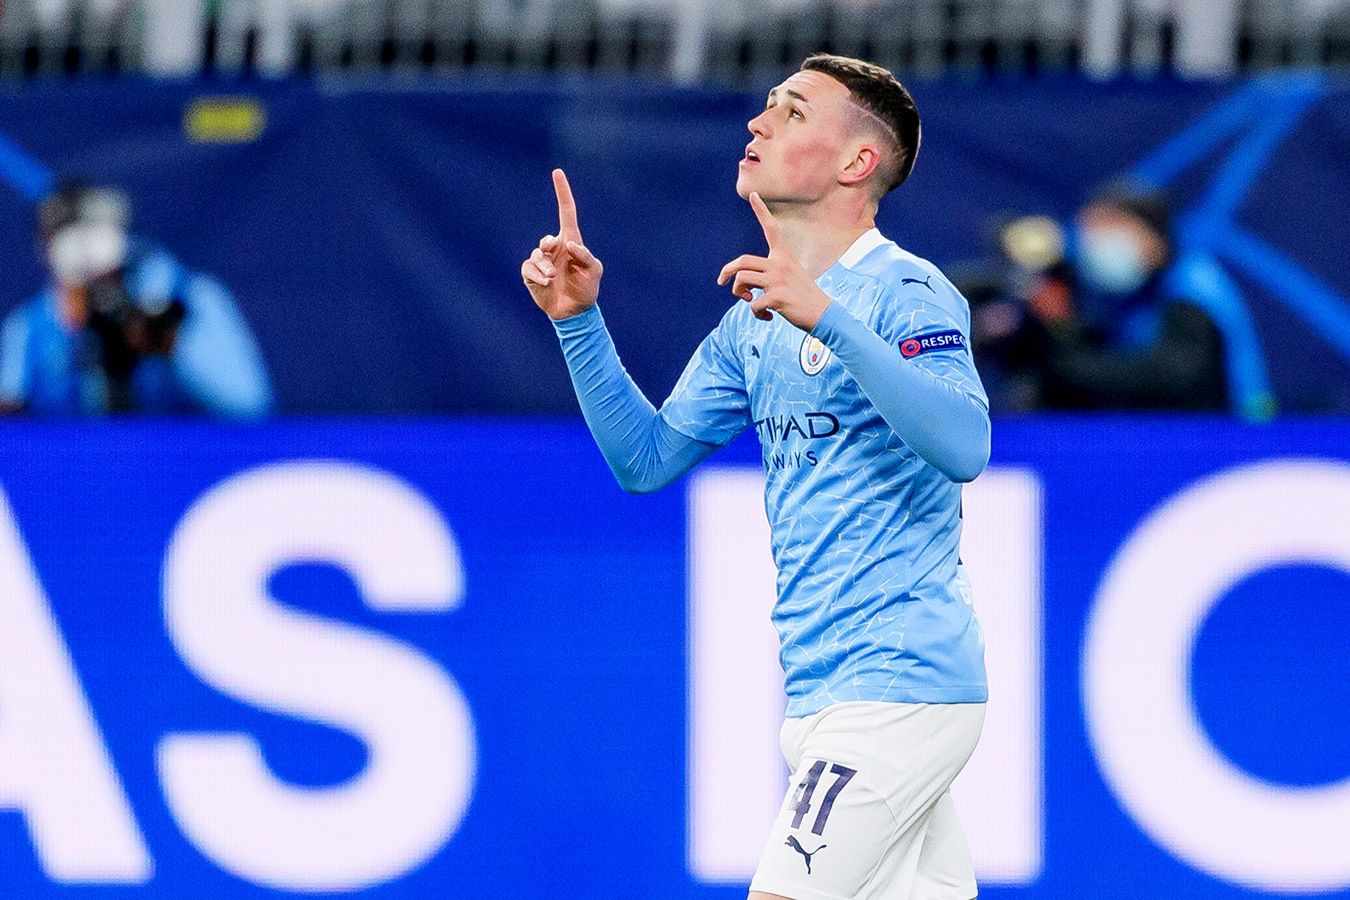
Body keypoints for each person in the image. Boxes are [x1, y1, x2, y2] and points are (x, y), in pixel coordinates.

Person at [522, 54, 988, 900]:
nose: (758, 122)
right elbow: (645, 460)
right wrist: (579, 324)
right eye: (768, 105)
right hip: (819, 693)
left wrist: (828, 319)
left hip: (895, 685)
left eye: (794, 111)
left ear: (857, 162)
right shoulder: (753, 322)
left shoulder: (906, 290)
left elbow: (964, 445)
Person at [969, 185, 1274, 418]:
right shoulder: (1124, 299)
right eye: (1089, 233)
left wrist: (1061, 345)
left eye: (1108, 230)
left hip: (1227, 444)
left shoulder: (1194, 291)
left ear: (1152, 237)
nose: (1094, 245)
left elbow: (1170, 381)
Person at [0, 182, 274, 418]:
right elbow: (10, 421)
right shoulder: (28, 328)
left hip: (175, 456)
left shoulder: (186, 296)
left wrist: (167, 342)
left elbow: (251, 406)